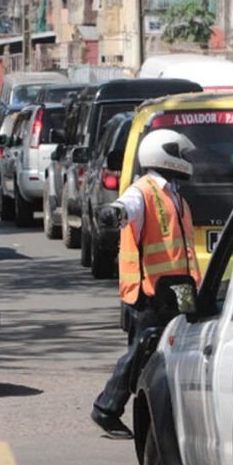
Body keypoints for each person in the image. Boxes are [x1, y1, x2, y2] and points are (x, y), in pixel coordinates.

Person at [91, 129, 201, 439]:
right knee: (141, 353)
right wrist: (115, 213)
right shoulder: (144, 191)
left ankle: (164, 415)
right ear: (166, 155)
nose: (186, 161)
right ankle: (107, 409)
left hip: (174, 291)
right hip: (148, 292)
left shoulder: (174, 195)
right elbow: (128, 207)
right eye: (181, 154)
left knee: (167, 354)